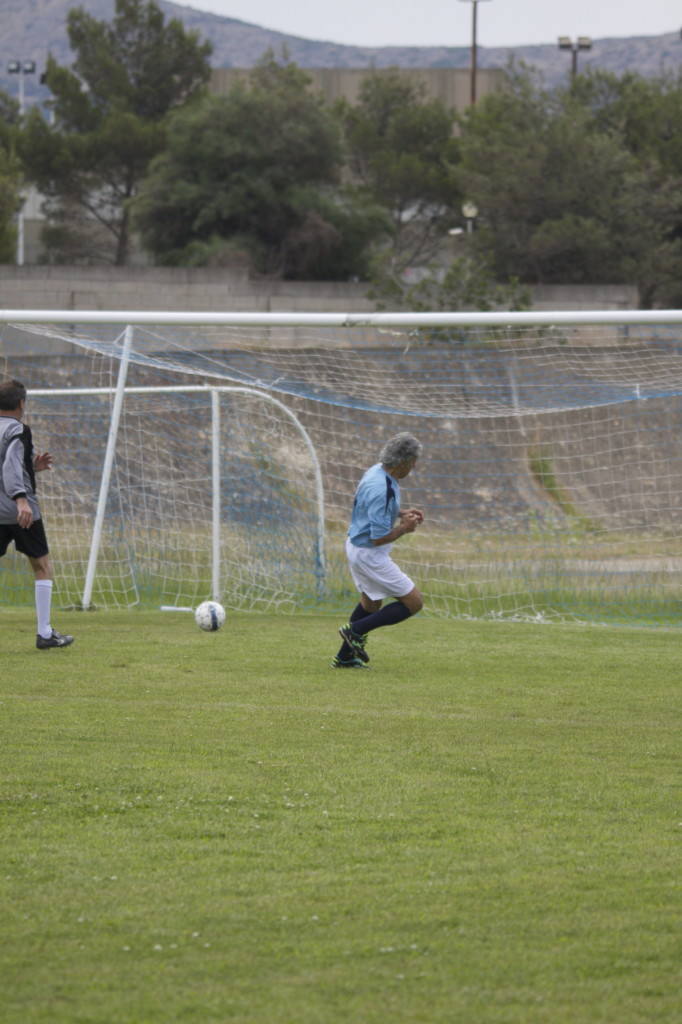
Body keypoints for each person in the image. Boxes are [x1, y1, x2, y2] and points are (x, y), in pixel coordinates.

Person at [333, 432, 424, 668]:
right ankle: (355, 631)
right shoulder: (383, 490)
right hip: (370, 554)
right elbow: (379, 538)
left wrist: (401, 512)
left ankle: (345, 658)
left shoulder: (376, 471)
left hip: (355, 545)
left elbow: (372, 509)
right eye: (414, 462)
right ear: (403, 462)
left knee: (371, 604)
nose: (414, 467)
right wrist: (404, 528)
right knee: (413, 603)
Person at [0, 379, 75, 649]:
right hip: (21, 511)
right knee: (42, 567)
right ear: (21, 403)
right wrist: (21, 500)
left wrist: (32, 467)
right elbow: (9, 466)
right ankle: (44, 633)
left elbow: (10, 465)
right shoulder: (19, 430)